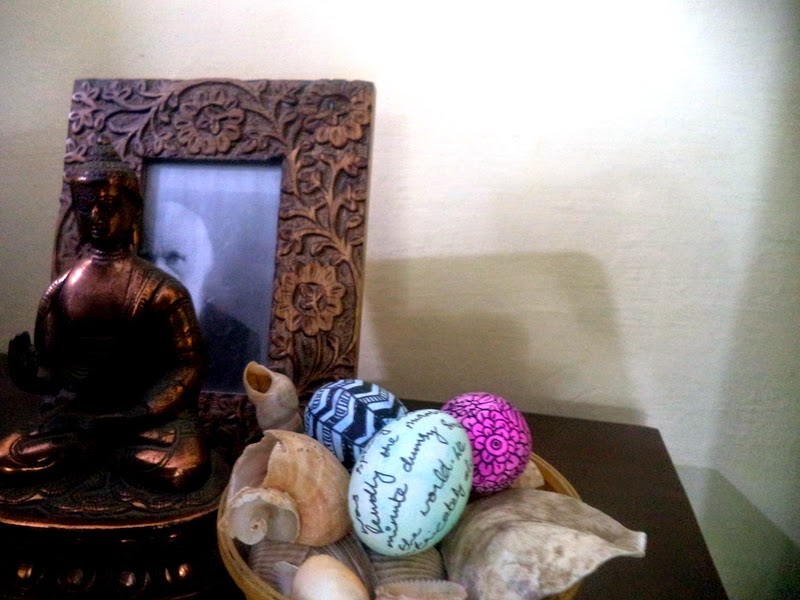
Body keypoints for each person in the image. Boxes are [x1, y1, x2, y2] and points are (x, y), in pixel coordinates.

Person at [1, 139, 210, 492]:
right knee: (8, 456)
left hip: (145, 419)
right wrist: (28, 375)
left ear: (133, 210)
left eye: (109, 205)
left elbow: (188, 365)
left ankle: (95, 450)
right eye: (85, 207)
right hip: (81, 414)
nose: (96, 216)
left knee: (182, 467)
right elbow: (53, 374)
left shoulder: (163, 291)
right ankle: (96, 448)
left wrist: (141, 411)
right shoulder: (60, 290)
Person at [143, 201, 261, 392]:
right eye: (147, 258)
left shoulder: (240, 342)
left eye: (174, 258)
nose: (158, 270)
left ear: (202, 263)